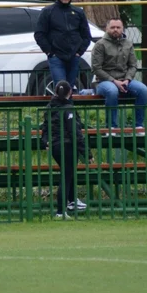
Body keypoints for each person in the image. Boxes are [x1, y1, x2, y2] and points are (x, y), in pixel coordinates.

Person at [91, 17, 147, 136]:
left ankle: (138, 126)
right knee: (112, 91)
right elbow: (96, 68)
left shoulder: (128, 44)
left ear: (122, 28)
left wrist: (128, 79)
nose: (115, 30)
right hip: (103, 82)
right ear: (107, 28)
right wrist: (114, 81)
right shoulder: (100, 45)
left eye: (118, 27)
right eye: (112, 27)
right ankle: (111, 127)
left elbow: (133, 65)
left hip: (125, 81)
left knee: (143, 90)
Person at [40, 80, 89, 219]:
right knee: (66, 177)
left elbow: (45, 128)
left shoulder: (50, 108)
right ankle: (61, 211)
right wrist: (86, 152)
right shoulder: (69, 109)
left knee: (68, 174)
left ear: (55, 92)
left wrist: (46, 142)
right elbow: (75, 132)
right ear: (70, 92)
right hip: (67, 146)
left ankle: (72, 201)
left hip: (55, 146)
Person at [34, 0, 91, 90]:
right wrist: (50, 52)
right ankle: (62, 106)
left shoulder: (78, 12)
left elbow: (86, 35)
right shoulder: (48, 11)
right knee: (61, 87)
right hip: (56, 56)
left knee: (70, 87)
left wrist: (79, 52)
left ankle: (67, 106)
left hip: (74, 56)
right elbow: (39, 34)